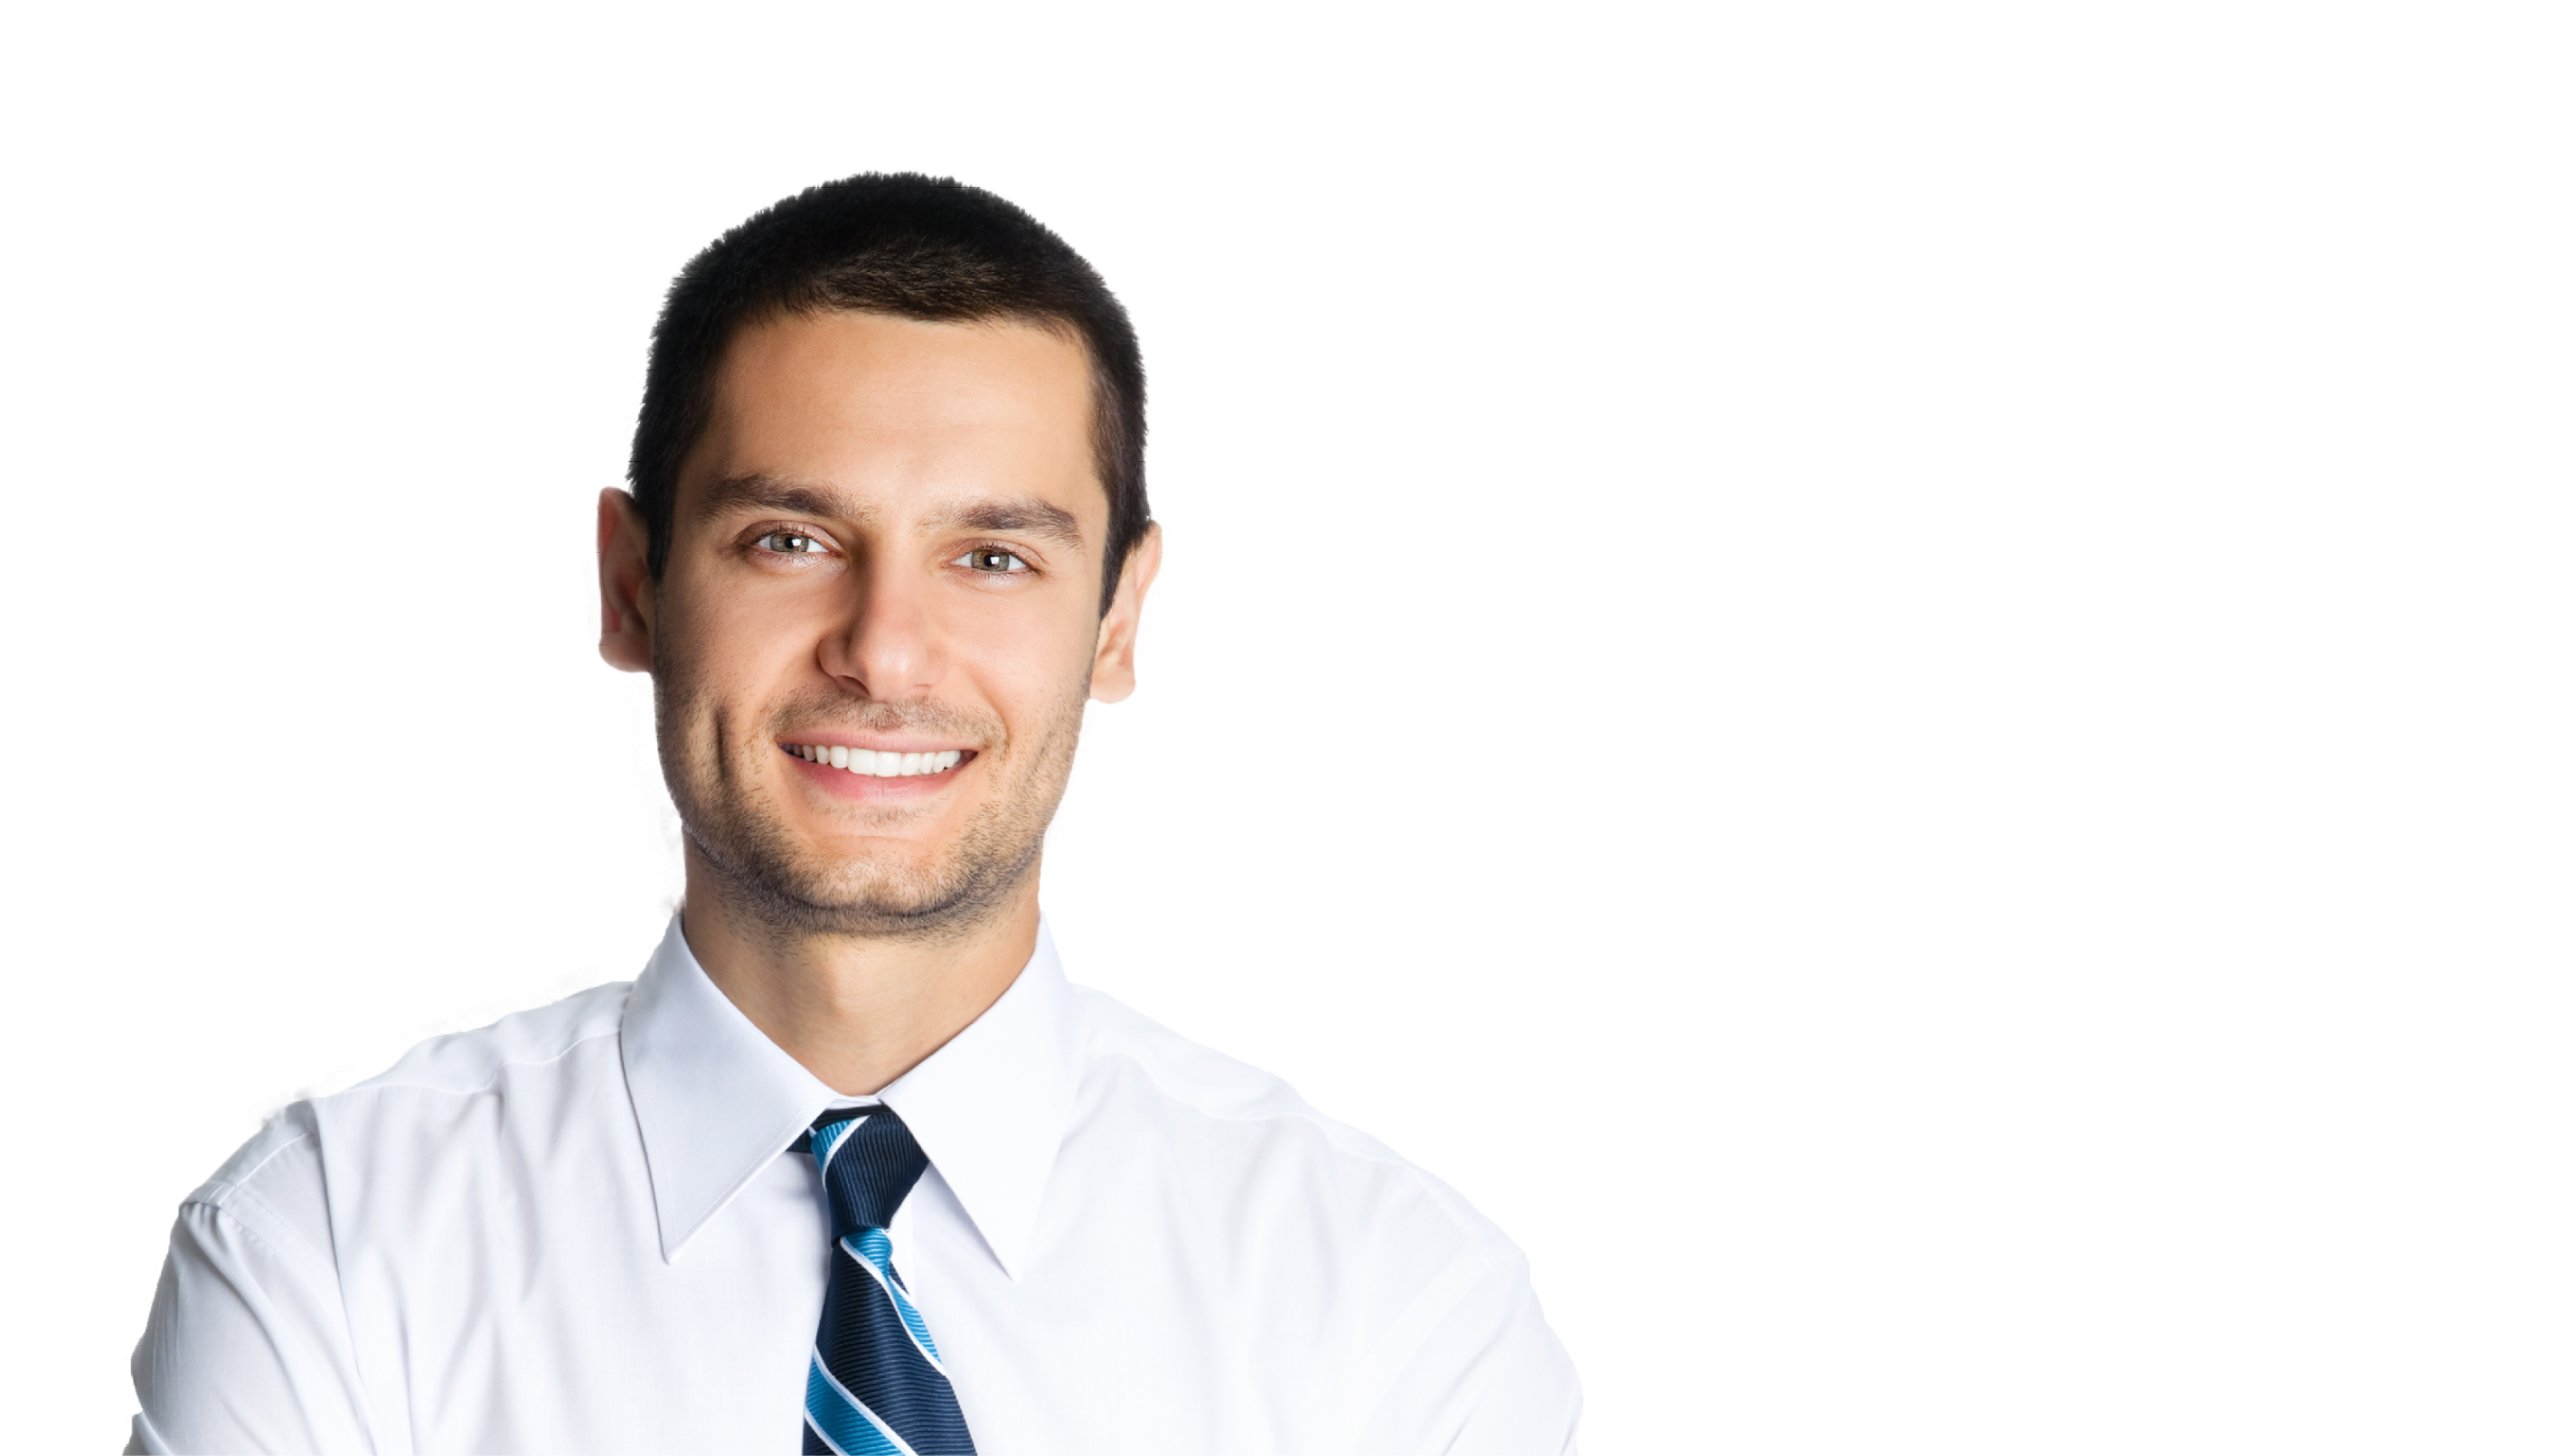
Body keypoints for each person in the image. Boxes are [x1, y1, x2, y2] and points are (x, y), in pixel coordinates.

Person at [125, 169, 1583, 1455]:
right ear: (627, 586)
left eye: (993, 557)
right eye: (791, 539)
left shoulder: (1397, 1304)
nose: (883, 649)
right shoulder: (331, 1246)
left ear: (1129, 615)